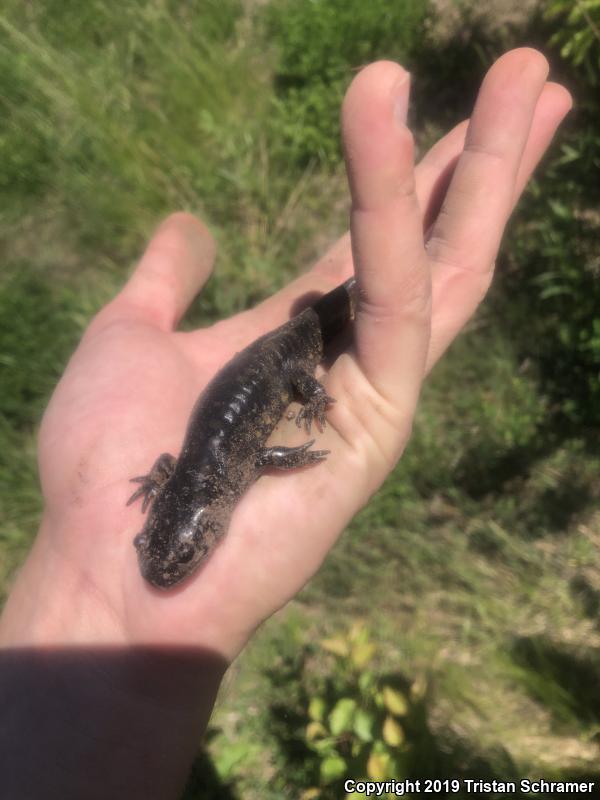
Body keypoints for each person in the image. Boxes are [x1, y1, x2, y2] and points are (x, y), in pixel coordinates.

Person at [0, 50, 571, 799]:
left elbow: (251, 458)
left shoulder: (221, 475)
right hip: (260, 362)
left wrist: (305, 422)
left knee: (322, 351)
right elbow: (210, 465)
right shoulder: (206, 485)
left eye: (175, 547)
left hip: (282, 355)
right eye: (173, 547)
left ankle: (343, 328)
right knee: (333, 338)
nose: (171, 558)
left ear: (202, 522)